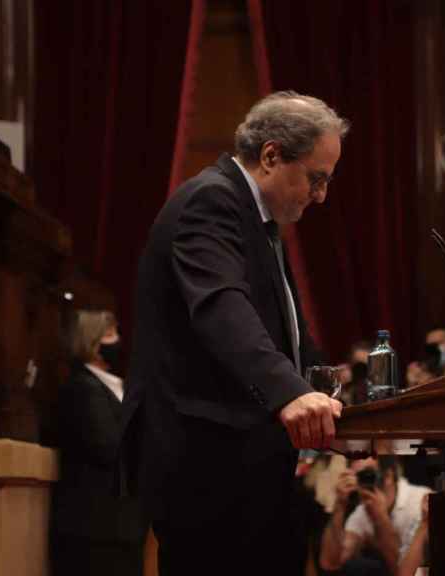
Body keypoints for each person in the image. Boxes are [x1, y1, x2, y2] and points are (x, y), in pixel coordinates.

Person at [123, 91, 349, 574]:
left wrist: (337, 388)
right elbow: (220, 307)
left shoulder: (258, 220)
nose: (322, 195)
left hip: (248, 466)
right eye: (316, 178)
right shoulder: (211, 202)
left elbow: (288, 331)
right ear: (271, 156)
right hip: (205, 468)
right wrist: (290, 392)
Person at [52, 310, 144, 576]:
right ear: (91, 343)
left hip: (121, 526)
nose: (117, 341)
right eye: (109, 335)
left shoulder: (117, 386)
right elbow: (109, 446)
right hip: (95, 529)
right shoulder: (83, 388)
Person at [320, 457, 432, 575]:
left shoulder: (420, 502)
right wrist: (339, 505)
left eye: (367, 475)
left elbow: (404, 572)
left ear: (388, 476)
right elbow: (331, 563)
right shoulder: (362, 511)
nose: (360, 483)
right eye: (356, 477)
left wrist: (381, 520)